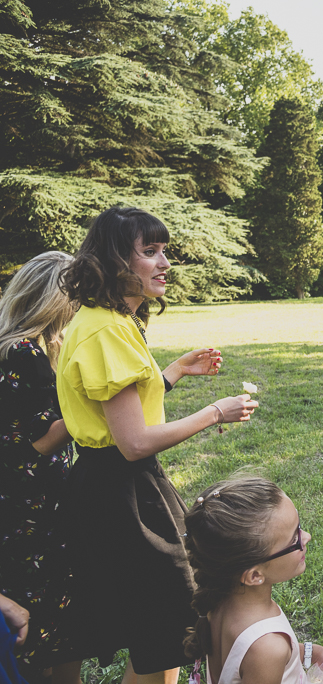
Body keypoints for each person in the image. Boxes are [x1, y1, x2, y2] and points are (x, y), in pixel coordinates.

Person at [56, 207, 259, 684]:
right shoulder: (106, 329)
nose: (164, 262)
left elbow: (114, 415)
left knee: (162, 626)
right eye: (150, 252)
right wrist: (216, 413)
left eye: (164, 250)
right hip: (122, 493)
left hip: (111, 484)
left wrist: (172, 374)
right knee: (170, 626)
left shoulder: (104, 319)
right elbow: (132, 443)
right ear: (113, 261)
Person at [182, 477, 323, 684]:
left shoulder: (219, 599)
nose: (306, 537)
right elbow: (261, 655)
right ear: (254, 576)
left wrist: (311, 653)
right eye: (294, 539)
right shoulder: (268, 647)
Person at [0, 252, 81, 684]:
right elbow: (41, 439)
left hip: (37, 510)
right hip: (27, 514)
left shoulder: (35, 348)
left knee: (54, 627)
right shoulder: (22, 352)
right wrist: (96, 403)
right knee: (39, 630)